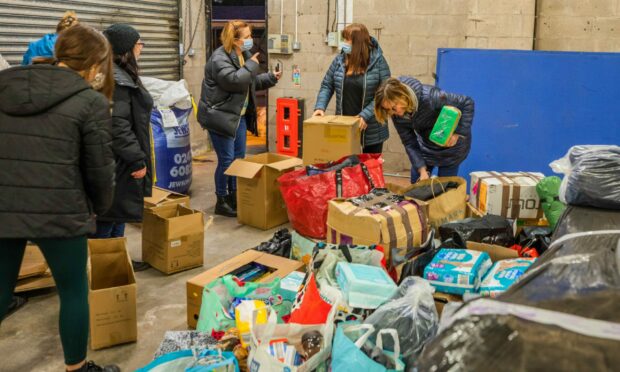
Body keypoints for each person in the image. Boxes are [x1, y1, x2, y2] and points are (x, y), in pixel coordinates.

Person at [0, 24, 119, 372]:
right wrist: (99, 207)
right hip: (60, 210)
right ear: (96, 64)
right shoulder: (90, 101)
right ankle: (77, 367)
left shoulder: (6, 86)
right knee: (72, 290)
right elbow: (99, 167)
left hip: (4, 206)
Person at [197, 20, 281, 217]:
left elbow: (249, 82)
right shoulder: (219, 59)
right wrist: (252, 64)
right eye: (247, 37)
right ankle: (222, 200)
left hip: (238, 117)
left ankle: (235, 196)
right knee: (226, 161)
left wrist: (270, 77)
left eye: (250, 35)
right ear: (234, 40)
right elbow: (235, 81)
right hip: (219, 116)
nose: (251, 40)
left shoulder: (242, 55)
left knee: (239, 159)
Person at [94, 24, 153, 271]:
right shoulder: (116, 80)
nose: (141, 48)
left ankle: (117, 262)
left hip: (121, 159)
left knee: (119, 213)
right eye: (138, 43)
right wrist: (136, 159)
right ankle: (100, 267)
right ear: (126, 49)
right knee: (109, 217)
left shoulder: (120, 74)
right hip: (119, 161)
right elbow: (116, 126)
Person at [374, 76, 474, 182]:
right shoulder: (397, 115)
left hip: (452, 147)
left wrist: (457, 133)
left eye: (394, 107)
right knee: (416, 184)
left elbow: (466, 102)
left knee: (444, 189)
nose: (393, 112)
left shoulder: (430, 97)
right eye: (388, 110)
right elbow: (409, 142)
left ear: (402, 96)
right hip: (427, 147)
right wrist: (422, 170)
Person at [313, 23, 391, 154]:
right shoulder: (339, 60)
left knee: (369, 169)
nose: (343, 43)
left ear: (357, 43)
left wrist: (364, 115)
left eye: (346, 40)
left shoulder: (378, 62)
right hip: (345, 127)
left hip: (371, 128)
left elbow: (384, 94)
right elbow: (327, 85)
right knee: (346, 169)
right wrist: (320, 107)